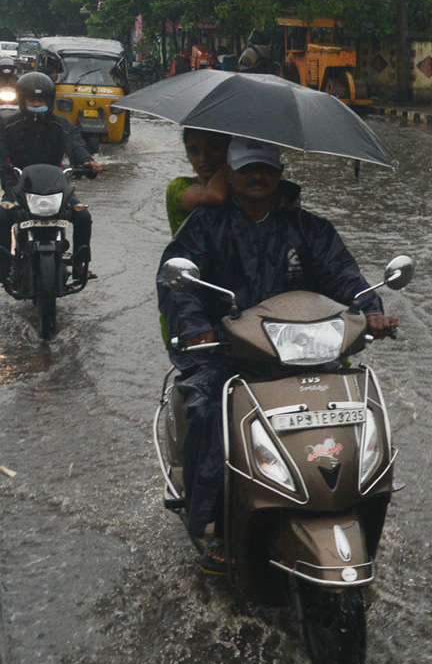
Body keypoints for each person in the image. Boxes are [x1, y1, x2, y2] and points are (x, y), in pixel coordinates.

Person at [157, 136, 398, 573]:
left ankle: (357, 498)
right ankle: (209, 519)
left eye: (264, 168)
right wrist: (194, 327)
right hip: (226, 353)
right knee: (209, 407)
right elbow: (178, 284)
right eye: (247, 168)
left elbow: (344, 275)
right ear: (230, 174)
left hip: (303, 355)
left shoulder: (308, 228)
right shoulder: (204, 228)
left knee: (357, 405)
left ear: (279, 173)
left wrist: (371, 310)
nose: (256, 176)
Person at [0, 72, 102, 283]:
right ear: (22, 100)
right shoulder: (7, 125)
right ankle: (4, 266)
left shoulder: (62, 125)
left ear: (50, 100)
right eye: (32, 99)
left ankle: (79, 266)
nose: (37, 103)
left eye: (41, 99)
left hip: (56, 188)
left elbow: (76, 146)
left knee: (83, 216)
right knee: (2, 216)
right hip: (17, 186)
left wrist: (87, 163)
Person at [165, 128, 232, 236]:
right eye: (194, 151)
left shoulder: (240, 185)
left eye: (212, 148)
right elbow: (215, 196)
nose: (203, 158)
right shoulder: (177, 187)